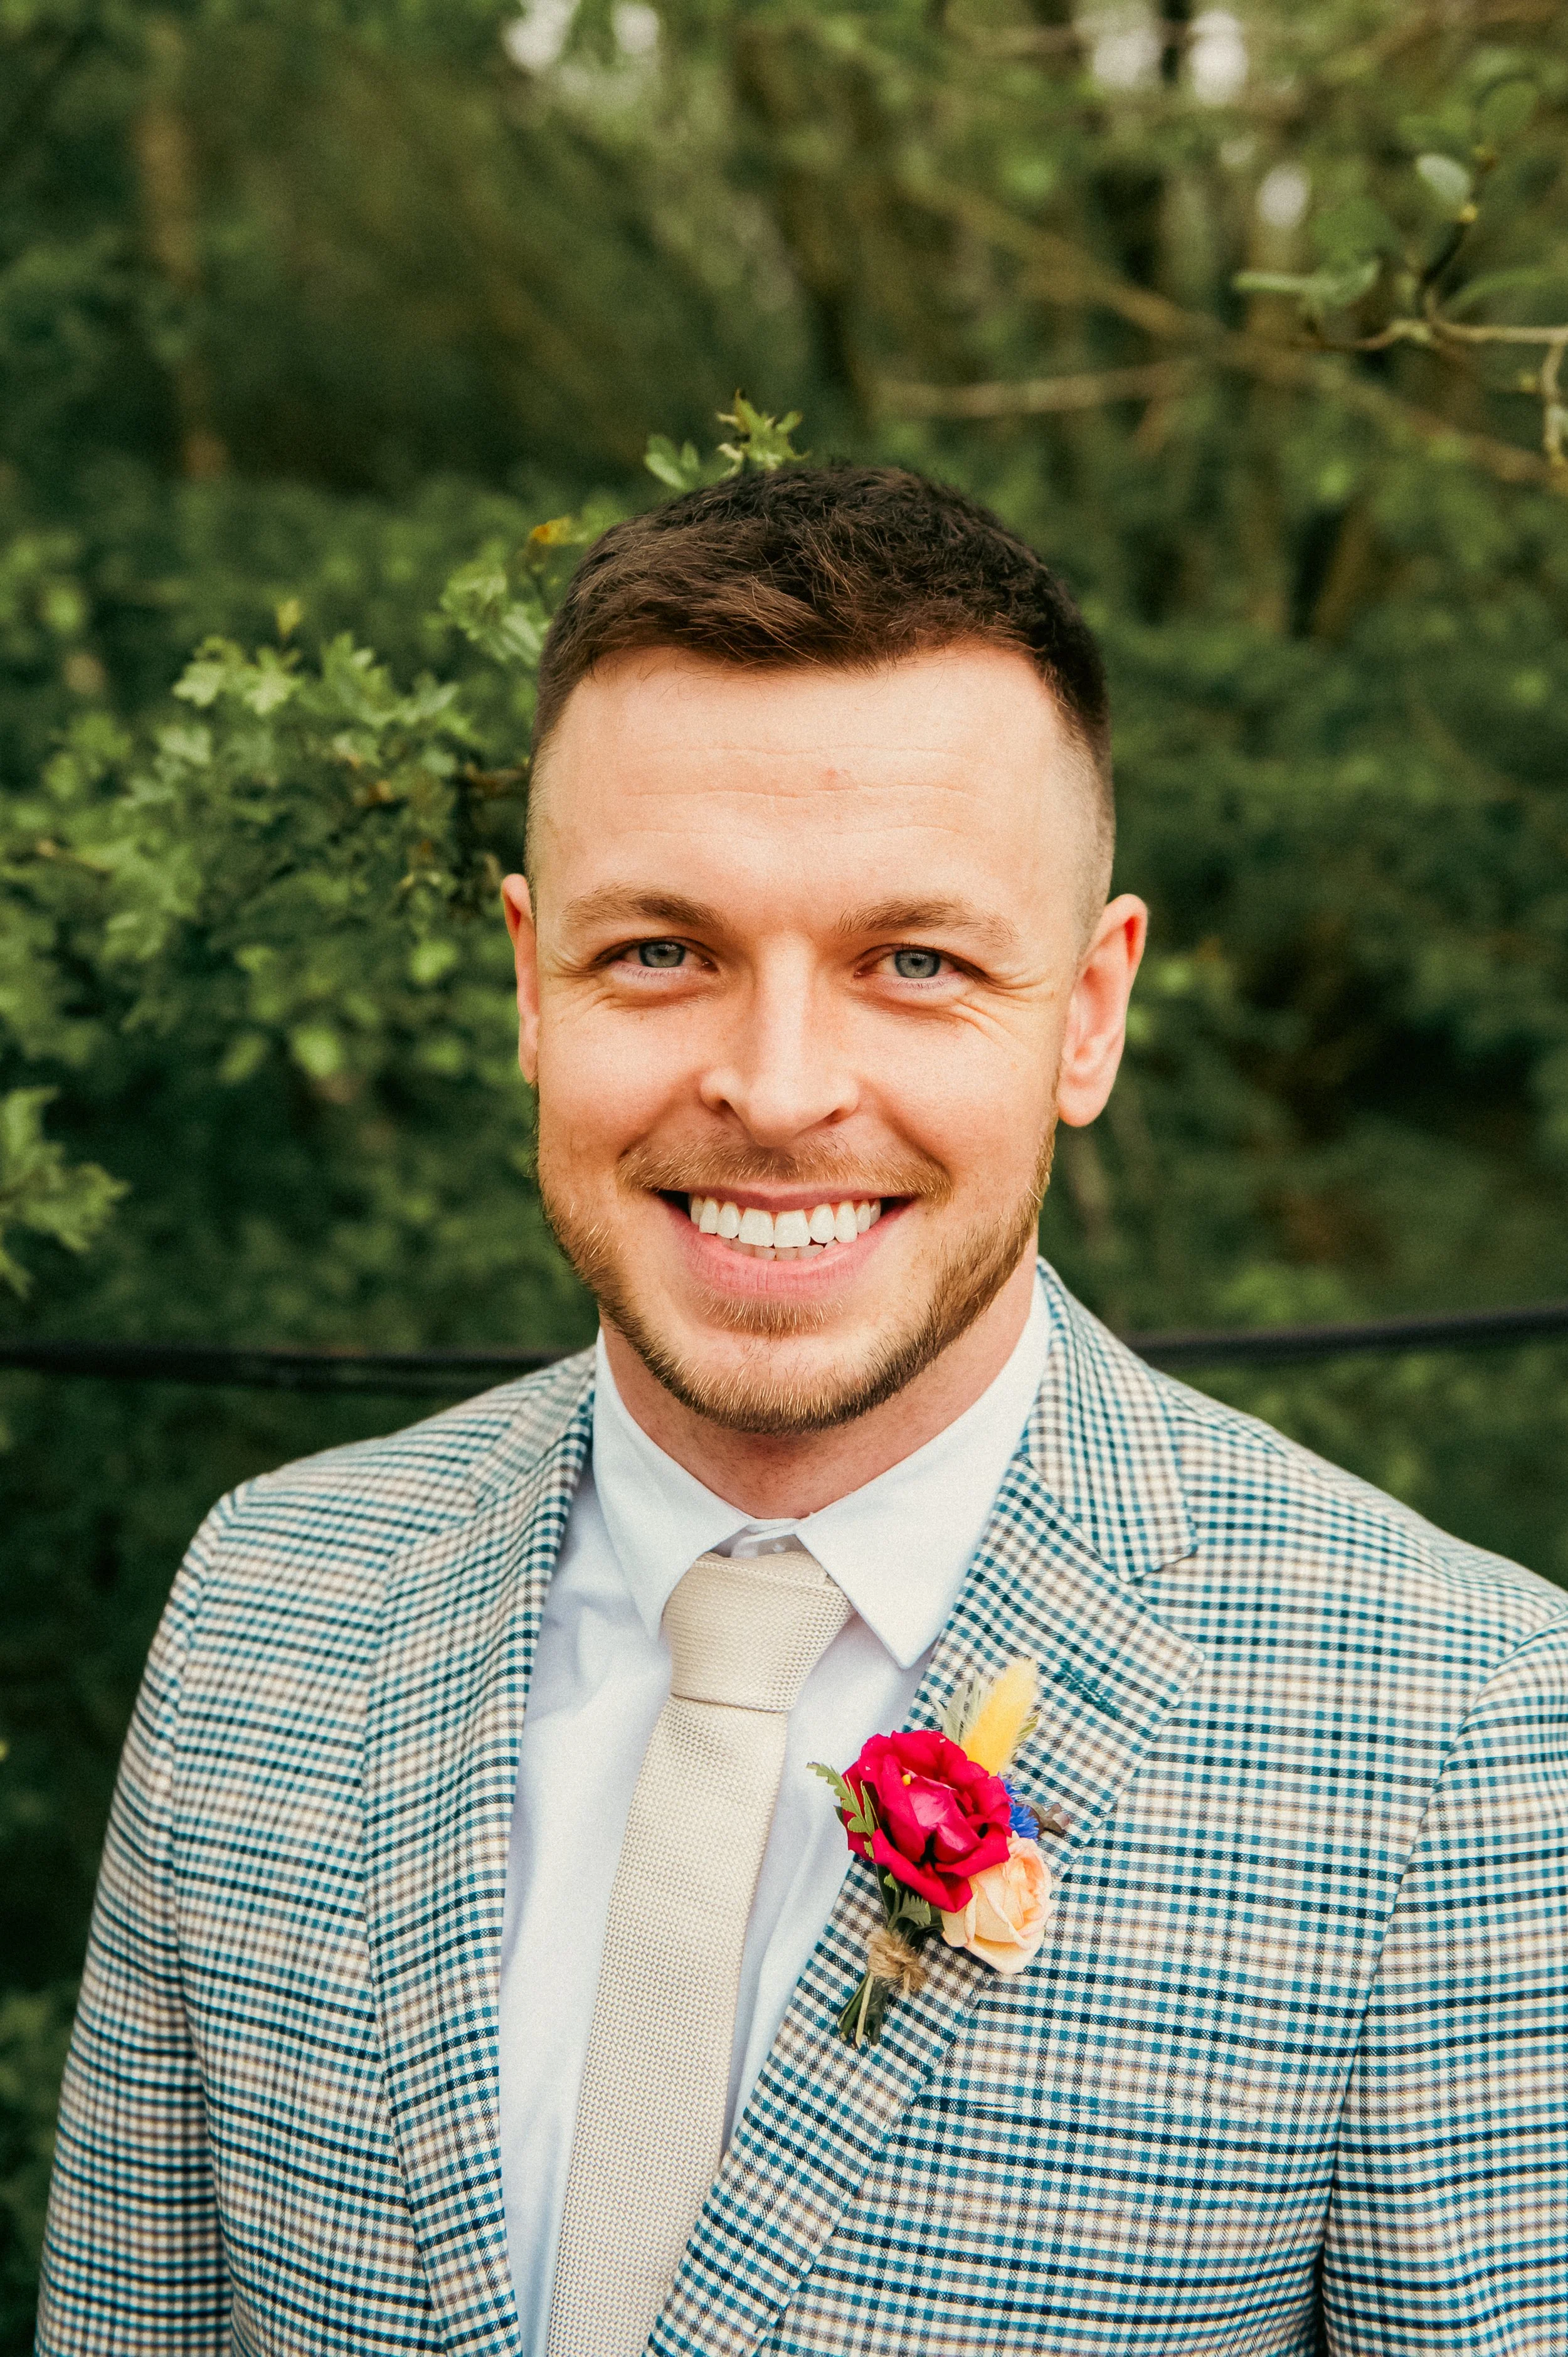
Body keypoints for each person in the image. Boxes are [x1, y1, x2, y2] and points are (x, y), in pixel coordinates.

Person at [37, 466, 1567, 2357]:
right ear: (531, 982)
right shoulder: (268, 1604)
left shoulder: (1456, 1729)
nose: (773, 1088)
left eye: (911, 961)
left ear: (1087, 1015)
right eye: (660, 949)